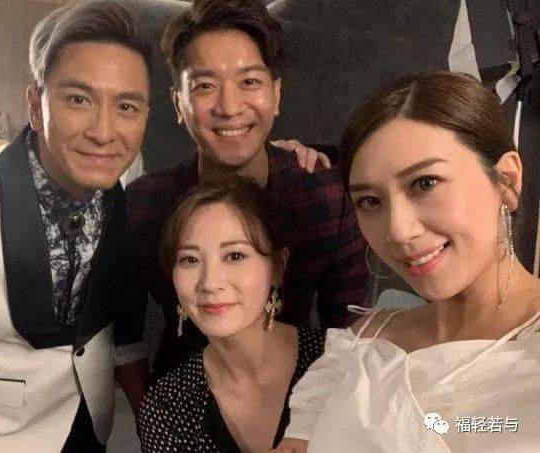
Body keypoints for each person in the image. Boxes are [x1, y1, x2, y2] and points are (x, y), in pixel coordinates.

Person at [0, 1, 150, 451]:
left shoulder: (125, 192)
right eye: (79, 99)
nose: (104, 131)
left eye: (127, 106)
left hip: (93, 429)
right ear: (36, 105)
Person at [275, 71, 540, 453]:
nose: (398, 231)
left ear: (507, 181)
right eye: (370, 201)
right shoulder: (358, 348)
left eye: (425, 183)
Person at [125, 0, 369, 380]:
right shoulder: (143, 205)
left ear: (276, 95)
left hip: (301, 395)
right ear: (178, 104)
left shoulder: (326, 199)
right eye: (205, 86)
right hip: (182, 394)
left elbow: (349, 331)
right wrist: (150, 412)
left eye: (249, 82)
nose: (229, 107)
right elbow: (124, 334)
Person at [137, 176, 324, 452]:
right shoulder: (166, 405)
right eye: (190, 260)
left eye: (235, 256)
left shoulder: (337, 362)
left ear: (277, 267)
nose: (210, 283)